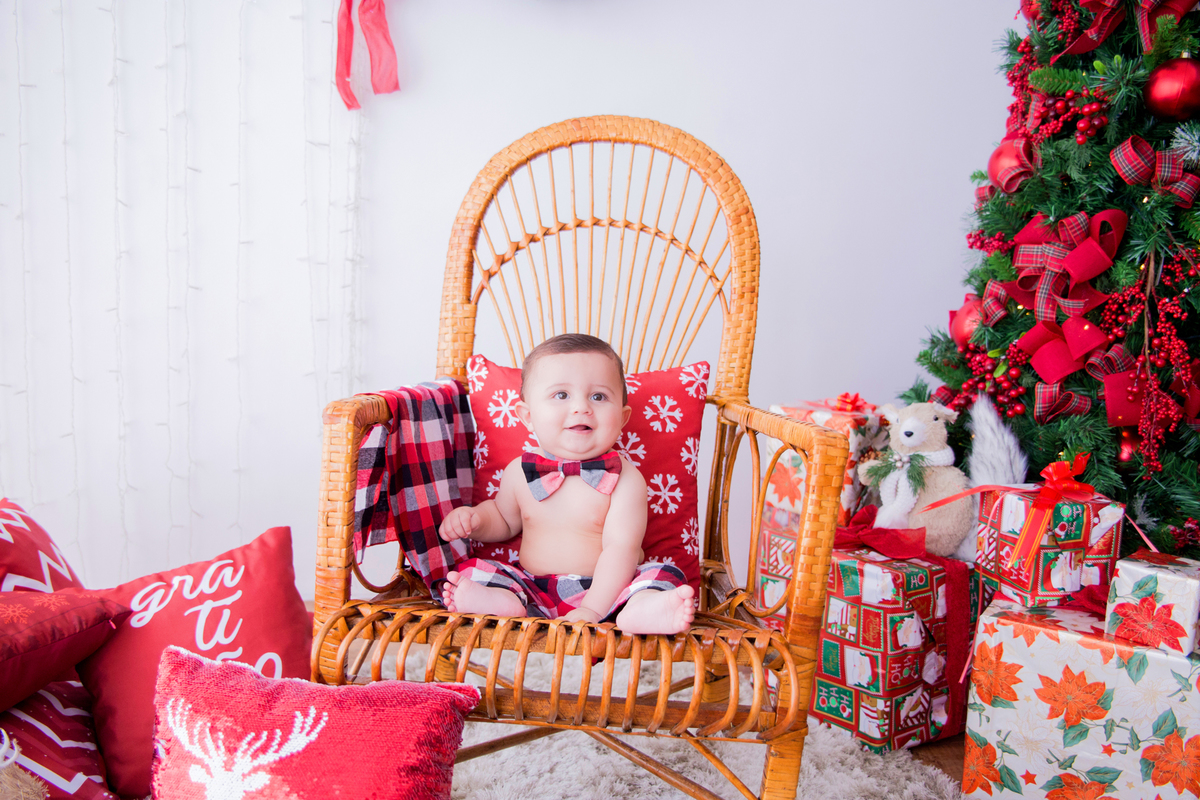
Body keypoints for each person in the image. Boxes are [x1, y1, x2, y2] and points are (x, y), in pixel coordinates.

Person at [438, 334, 695, 634]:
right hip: (531, 587)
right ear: (528, 416)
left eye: (598, 396)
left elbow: (621, 549)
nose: (581, 407)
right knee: (476, 571)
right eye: (561, 395)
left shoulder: (625, 479)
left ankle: (639, 610)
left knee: (662, 575)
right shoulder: (520, 471)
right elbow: (504, 520)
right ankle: (501, 601)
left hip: (609, 593)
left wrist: (593, 610)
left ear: (623, 418)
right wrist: (475, 519)